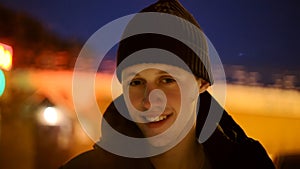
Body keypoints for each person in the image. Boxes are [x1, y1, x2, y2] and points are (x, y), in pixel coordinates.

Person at [60, 0, 275, 168]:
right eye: (136, 81)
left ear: (201, 83)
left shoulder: (249, 164)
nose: (151, 99)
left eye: (167, 80)